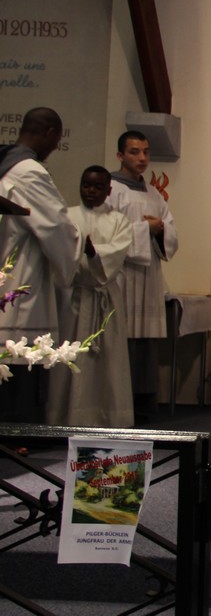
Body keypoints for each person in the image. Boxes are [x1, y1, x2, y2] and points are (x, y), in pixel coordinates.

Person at [0, 107, 80, 422]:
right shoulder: (28, 171)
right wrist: (75, 251)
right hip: (22, 275)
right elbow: (56, 226)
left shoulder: (5, 162)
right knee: (21, 358)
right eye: (57, 140)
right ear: (48, 133)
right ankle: (19, 430)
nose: (56, 147)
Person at [47, 166, 134, 427]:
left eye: (98, 187)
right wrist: (79, 254)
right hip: (73, 296)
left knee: (108, 361)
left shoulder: (119, 221)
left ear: (108, 190)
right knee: (70, 357)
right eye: (86, 185)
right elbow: (58, 253)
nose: (91, 191)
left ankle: (108, 417)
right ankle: (65, 416)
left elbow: (116, 254)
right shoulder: (68, 216)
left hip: (104, 298)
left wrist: (93, 252)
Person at [108, 130, 178, 420]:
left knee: (146, 339)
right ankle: (120, 403)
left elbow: (170, 231)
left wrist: (161, 229)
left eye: (146, 152)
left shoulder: (153, 193)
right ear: (120, 155)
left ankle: (145, 402)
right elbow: (106, 232)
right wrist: (144, 229)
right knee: (122, 336)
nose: (142, 158)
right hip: (122, 274)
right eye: (134, 152)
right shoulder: (110, 189)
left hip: (148, 275)